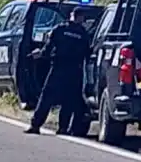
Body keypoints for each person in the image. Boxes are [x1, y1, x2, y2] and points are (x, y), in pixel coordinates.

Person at [24, 7, 92, 135]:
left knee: (46, 98)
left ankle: (35, 125)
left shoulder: (59, 29)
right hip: (75, 71)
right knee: (69, 101)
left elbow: (47, 48)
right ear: (82, 18)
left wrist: (38, 55)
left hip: (57, 68)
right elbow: (88, 54)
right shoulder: (84, 34)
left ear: (72, 15)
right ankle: (63, 128)